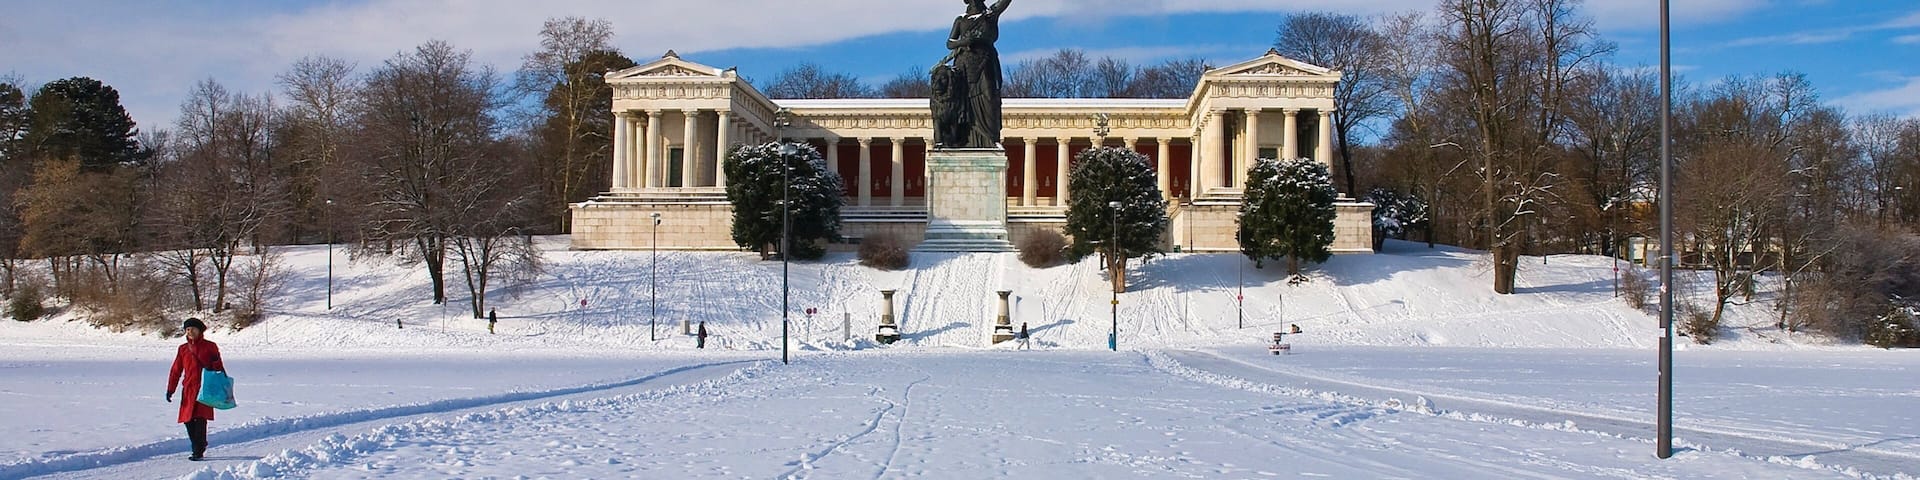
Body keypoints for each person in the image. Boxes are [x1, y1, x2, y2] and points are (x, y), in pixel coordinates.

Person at [944, 0, 1013, 148]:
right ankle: (964, 139)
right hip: (963, 64)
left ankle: (990, 137)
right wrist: (964, 41)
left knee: (989, 96)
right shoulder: (961, 20)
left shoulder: (989, 14)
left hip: (985, 60)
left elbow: (1004, 2)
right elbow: (950, 42)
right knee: (964, 101)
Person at [165, 318, 226, 461]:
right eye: (187, 329)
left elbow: (219, 367)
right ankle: (199, 444)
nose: (190, 331)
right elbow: (176, 370)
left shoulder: (210, 346)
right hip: (188, 389)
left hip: (205, 388)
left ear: (200, 330)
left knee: (200, 419)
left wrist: (221, 384)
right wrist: (170, 389)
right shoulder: (183, 349)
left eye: (193, 328)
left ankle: (197, 450)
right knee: (187, 419)